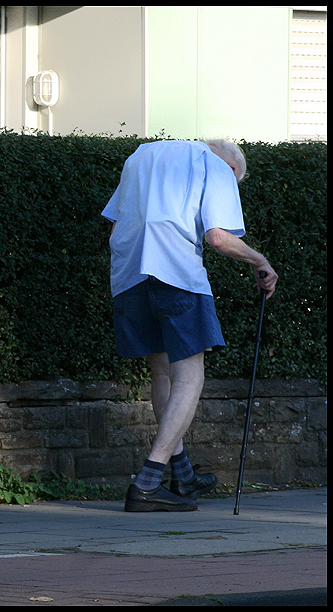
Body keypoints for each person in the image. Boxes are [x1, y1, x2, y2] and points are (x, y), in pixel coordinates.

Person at [101, 139, 277, 512]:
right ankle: (148, 481)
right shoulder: (215, 167)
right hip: (176, 273)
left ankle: (182, 476)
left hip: (129, 274)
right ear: (231, 168)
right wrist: (258, 259)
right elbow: (217, 237)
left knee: (161, 373)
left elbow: (115, 227)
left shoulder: (141, 155)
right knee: (189, 376)